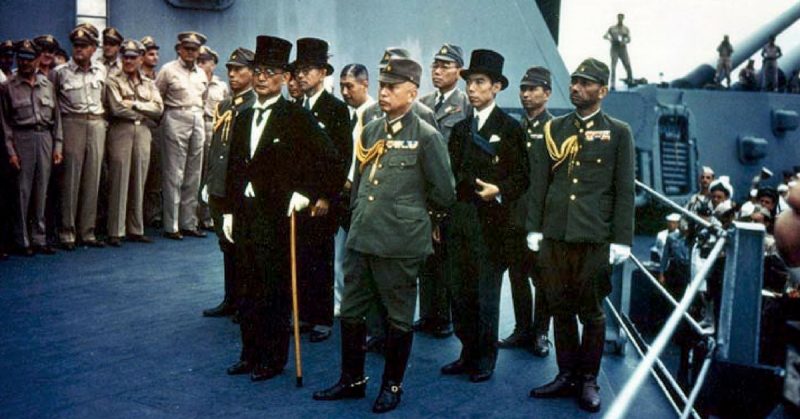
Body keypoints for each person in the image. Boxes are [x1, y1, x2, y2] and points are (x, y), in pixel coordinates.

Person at [312, 57, 455, 413]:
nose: (385, 92)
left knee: (398, 317)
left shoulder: (426, 135)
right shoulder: (370, 129)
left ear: (412, 92)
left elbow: (444, 192)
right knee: (352, 311)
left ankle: (392, 384)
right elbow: (360, 183)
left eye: (393, 87)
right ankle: (352, 379)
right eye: (382, 86)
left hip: (400, 242)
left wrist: (416, 219)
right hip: (364, 236)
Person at [222, 34, 339, 382]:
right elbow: (235, 167)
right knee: (245, 286)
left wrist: (307, 191)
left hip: (277, 217)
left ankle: (272, 359)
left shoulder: (295, 117)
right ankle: (249, 352)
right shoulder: (243, 117)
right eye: (257, 70)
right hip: (244, 213)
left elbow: (329, 158)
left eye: (270, 72)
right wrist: (228, 210)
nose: (261, 78)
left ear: (285, 79)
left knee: (272, 290)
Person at [527, 58, 635, 413]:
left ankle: (588, 379)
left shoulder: (619, 133)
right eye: (574, 82)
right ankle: (566, 375)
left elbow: (623, 190)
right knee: (559, 306)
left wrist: (622, 239)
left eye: (585, 83)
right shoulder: (554, 128)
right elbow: (540, 183)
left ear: (602, 91)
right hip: (556, 234)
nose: (575, 87)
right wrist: (535, 229)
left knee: (590, 310)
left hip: (593, 237)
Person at [441, 49, 529, 383]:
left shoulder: (509, 128)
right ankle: (467, 352)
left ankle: (485, 358)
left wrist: (499, 189)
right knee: (459, 291)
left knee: (485, 293)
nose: (473, 89)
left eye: (480, 82)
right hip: (460, 218)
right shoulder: (462, 129)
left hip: (491, 223)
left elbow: (523, 177)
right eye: (470, 83)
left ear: (496, 87)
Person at [292, 37, 351, 343]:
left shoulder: (336, 110)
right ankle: (303, 314)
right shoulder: (295, 107)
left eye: (309, 70)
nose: (302, 76)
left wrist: (327, 196)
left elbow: (341, 158)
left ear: (323, 73)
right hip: (297, 199)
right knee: (300, 257)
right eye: (299, 70)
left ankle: (322, 318)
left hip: (321, 200)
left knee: (321, 259)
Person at [415, 43, 470, 338]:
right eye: (435, 66)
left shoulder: (465, 104)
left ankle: (446, 317)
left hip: (451, 192)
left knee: (449, 257)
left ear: (458, 72)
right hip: (425, 192)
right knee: (426, 256)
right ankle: (428, 313)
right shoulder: (422, 103)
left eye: (445, 66)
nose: (437, 71)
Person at [499, 66, 554, 356]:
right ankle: (522, 329)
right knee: (517, 275)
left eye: (533, 89)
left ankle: (541, 332)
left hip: (541, 219)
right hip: (514, 216)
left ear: (547, 93)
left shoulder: (555, 129)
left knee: (543, 278)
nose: (526, 94)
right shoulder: (515, 129)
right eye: (523, 89)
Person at [201, 47, 256, 318]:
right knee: (225, 243)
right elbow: (216, 148)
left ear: (252, 72)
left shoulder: (253, 106)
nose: (233, 74)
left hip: (238, 188)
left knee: (242, 245)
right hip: (220, 184)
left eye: (239, 69)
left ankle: (245, 301)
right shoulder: (224, 105)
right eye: (230, 70)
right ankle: (231, 298)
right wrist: (208, 181)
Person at [1, 39, 62, 256]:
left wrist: (58, 146)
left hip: (44, 137)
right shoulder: (8, 86)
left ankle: (39, 237)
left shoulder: (47, 85)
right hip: (22, 138)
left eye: (29, 59)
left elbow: (57, 120)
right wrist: (11, 151)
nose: (25, 64)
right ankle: (22, 240)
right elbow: (5, 123)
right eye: (22, 59)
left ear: (37, 60)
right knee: (22, 192)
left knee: (42, 190)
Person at [104, 39, 164, 247]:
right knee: (119, 179)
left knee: (140, 178)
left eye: (133, 57)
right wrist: (144, 108)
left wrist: (136, 104)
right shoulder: (113, 80)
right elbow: (116, 108)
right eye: (125, 56)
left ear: (140, 58)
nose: (128, 61)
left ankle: (135, 228)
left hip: (143, 130)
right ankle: (116, 230)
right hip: (121, 129)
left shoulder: (148, 82)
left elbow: (159, 109)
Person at [54, 24, 107, 250]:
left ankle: (87, 231)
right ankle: (67, 232)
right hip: (72, 123)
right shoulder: (60, 72)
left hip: (95, 123)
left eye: (84, 46)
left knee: (92, 179)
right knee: (71, 179)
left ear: (94, 48)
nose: (79, 50)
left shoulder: (101, 71)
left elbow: (104, 98)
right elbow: (55, 105)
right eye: (76, 45)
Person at [155, 31, 209, 240]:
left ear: (198, 52)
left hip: (197, 118)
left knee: (193, 174)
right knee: (174, 173)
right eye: (186, 48)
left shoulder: (201, 73)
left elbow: (203, 99)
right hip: (175, 116)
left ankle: (189, 222)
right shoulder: (168, 70)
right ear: (179, 49)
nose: (190, 52)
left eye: (194, 49)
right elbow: (157, 96)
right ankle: (172, 225)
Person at [337, 63, 375, 314]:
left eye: (349, 86)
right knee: (341, 251)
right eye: (341, 86)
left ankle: (364, 305)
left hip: (363, 193)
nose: (345, 92)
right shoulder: (344, 113)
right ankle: (341, 302)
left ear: (365, 84)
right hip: (342, 193)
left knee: (363, 254)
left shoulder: (375, 114)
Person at [362, 47, 438, 128]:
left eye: (394, 71)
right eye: (382, 70)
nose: (385, 74)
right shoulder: (369, 112)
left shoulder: (423, 114)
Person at [197, 46, 229, 231]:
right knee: (193, 175)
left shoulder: (221, 86)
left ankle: (208, 217)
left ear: (214, 64)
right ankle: (191, 219)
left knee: (211, 172)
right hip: (194, 124)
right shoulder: (194, 81)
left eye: (205, 61)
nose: (201, 64)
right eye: (199, 61)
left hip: (213, 126)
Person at [140, 35, 163, 229]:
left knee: (156, 172)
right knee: (138, 174)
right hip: (139, 126)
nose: (154, 57)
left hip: (156, 127)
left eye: (156, 54)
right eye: (150, 53)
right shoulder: (136, 77)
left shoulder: (159, 77)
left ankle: (153, 215)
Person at [604, 13, 633, 90]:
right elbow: (605, 35)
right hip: (614, 47)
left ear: (623, 18)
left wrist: (625, 41)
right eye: (619, 17)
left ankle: (630, 80)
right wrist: (610, 39)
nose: (620, 19)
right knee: (613, 66)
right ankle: (612, 84)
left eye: (621, 18)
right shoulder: (612, 28)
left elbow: (629, 39)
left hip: (622, 48)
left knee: (627, 64)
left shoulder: (625, 29)